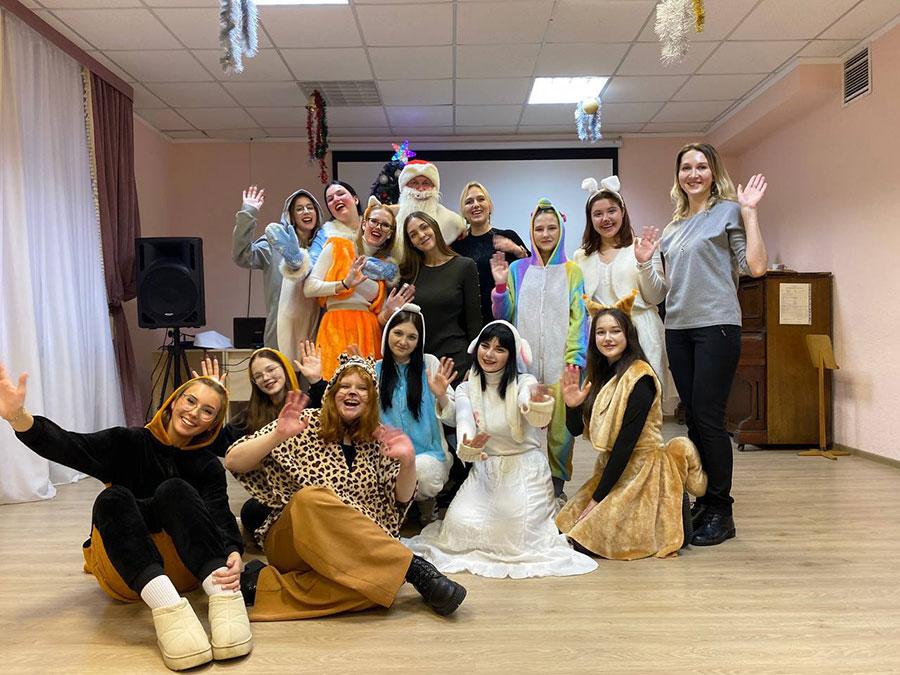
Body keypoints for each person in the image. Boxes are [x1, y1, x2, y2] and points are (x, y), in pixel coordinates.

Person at [0, 363, 251, 671]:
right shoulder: (128, 441)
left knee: (175, 490)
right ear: (174, 402)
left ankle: (224, 598)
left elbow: (219, 511)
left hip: (188, 571)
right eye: (190, 400)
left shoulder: (208, 464)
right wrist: (19, 418)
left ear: (214, 424)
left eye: (207, 411)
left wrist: (233, 551)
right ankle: (168, 608)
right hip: (127, 575)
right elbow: (70, 446)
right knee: (113, 498)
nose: (194, 413)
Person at [223, 353, 468, 620]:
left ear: (371, 398)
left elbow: (401, 498)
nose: (353, 392)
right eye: (345, 386)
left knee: (377, 587)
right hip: (293, 542)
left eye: (362, 388)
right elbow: (234, 461)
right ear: (332, 393)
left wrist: (408, 460)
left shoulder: (380, 438)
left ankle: (261, 585)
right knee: (311, 498)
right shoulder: (305, 423)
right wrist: (277, 435)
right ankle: (412, 566)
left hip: (351, 552)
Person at [404, 321, 597, 579]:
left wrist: (537, 403)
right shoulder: (466, 387)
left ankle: (546, 505)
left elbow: (534, 413)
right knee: (458, 526)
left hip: (524, 469)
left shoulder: (524, 381)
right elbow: (462, 418)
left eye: (499, 349)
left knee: (515, 534)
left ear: (511, 354)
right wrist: (462, 435)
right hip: (486, 470)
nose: (489, 354)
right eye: (485, 346)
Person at [658, 142, 768, 546]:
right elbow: (671, 285)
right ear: (678, 176)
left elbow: (756, 266)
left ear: (713, 172)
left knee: (708, 416)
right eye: (686, 167)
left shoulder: (728, 212)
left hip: (717, 326)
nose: (693, 174)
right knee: (692, 416)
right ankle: (704, 499)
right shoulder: (671, 228)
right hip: (678, 328)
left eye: (701, 166)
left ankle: (722, 510)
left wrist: (750, 212)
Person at [555, 296, 707, 559]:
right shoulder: (601, 375)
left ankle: (672, 508)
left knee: (586, 540)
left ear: (628, 335)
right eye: (601, 332)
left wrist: (597, 499)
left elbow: (625, 447)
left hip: (643, 470)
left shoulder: (640, 378)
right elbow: (577, 431)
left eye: (615, 331)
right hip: (614, 468)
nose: (608, 338)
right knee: (564, 526)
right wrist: (572, 406)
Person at [490, 197, 588, 505]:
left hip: (562, 365)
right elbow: (504, 317)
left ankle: (557, 488)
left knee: (561, 433)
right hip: (524, 366)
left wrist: (575, 359)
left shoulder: (573, 272)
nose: (545, 234)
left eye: (551, 228)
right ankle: (524, 484)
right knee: (521, 427)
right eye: (539, 229)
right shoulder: (518, 269)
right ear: (531, 232)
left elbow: (579, 319)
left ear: (561, 230)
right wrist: (501, 289)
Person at [574, 175, 675, 412]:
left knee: (641, 406)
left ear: (622, 212)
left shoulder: (641, 247)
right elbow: (577, 304)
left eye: (612, 211)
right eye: (598, 214)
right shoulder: (581, 256)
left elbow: (657, 297)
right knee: (603, 407)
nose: (605, 218)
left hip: (641, 332)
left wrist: (644, 263)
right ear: (590, 219)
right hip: (602, 340)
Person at [218, 347, 325, 540]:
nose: (266, 378)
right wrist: (216, 398)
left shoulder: (307, 403)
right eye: (258, 376)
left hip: (313, 489)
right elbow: (219, 445)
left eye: (270, 369)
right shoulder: (249, 417)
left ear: (284, 368)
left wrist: (316, 381)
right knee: (251, 512)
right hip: (275, 497)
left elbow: (332, 412)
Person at [376, 304, 457, 525]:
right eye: (398, 333)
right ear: (387, 333)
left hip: (429, 456)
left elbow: (453, 419)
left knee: (422, 471)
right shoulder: (375, 370)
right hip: (386, 457)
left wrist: (441, 396)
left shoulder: (430, 364)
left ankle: (426, 506)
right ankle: (395, 513)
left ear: (419, 341)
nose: (403, 341)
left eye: (412, 337)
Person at [303, 184, 387, 379]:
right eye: (330, 199)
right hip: (336, 324)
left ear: (356, 199)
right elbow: (309, 287)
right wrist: (344, 285)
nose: (336, 200)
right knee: (334, 384)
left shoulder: (383, 259)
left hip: (368, 327)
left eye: (341, 194)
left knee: (369, 386)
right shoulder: (336, 244)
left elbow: (378, 299)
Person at [233, 185, 323, 353]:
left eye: (310, 207)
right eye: (299, 209)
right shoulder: (275, 243)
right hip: (280, 333)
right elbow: (242, 256)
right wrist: (248, 213)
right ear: (291, 216)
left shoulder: (325, 246)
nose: (306, 212)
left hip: (315, 332)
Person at [399, 211, 482, 375]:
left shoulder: (465, 266)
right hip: (418, 362)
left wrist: (474, 365)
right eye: (413, 235)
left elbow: (474, 322)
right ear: (411, 243)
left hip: (455, 362)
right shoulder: (409, 274)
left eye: (424, 227)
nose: (421, 235)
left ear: (434, 227)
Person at [452, 181, 530, 325]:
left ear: (490, 206)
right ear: (463, 212)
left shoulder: (508, 236)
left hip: (503, 321)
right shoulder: (456, 246)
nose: (476, 205)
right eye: (469, 202)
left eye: (481, 199)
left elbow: (533, 273)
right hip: (468, 323)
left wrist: (517, 251)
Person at [388, 160, 467, 255]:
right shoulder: (392, 218)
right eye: (414, 183)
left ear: (434, 187)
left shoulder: (453, 220)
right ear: (405, 187)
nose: (420, 189)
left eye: (426, 183)